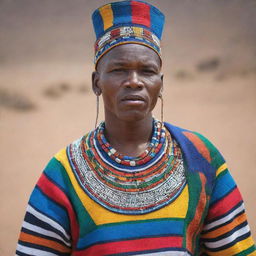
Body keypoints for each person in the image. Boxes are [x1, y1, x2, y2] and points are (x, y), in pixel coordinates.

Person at [16, 1, 255, 255]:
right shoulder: (63, 173)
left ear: (160, 84)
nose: (134, 82)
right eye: (119, 70)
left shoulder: (200, 158)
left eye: (147, 71)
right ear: (96, 83)